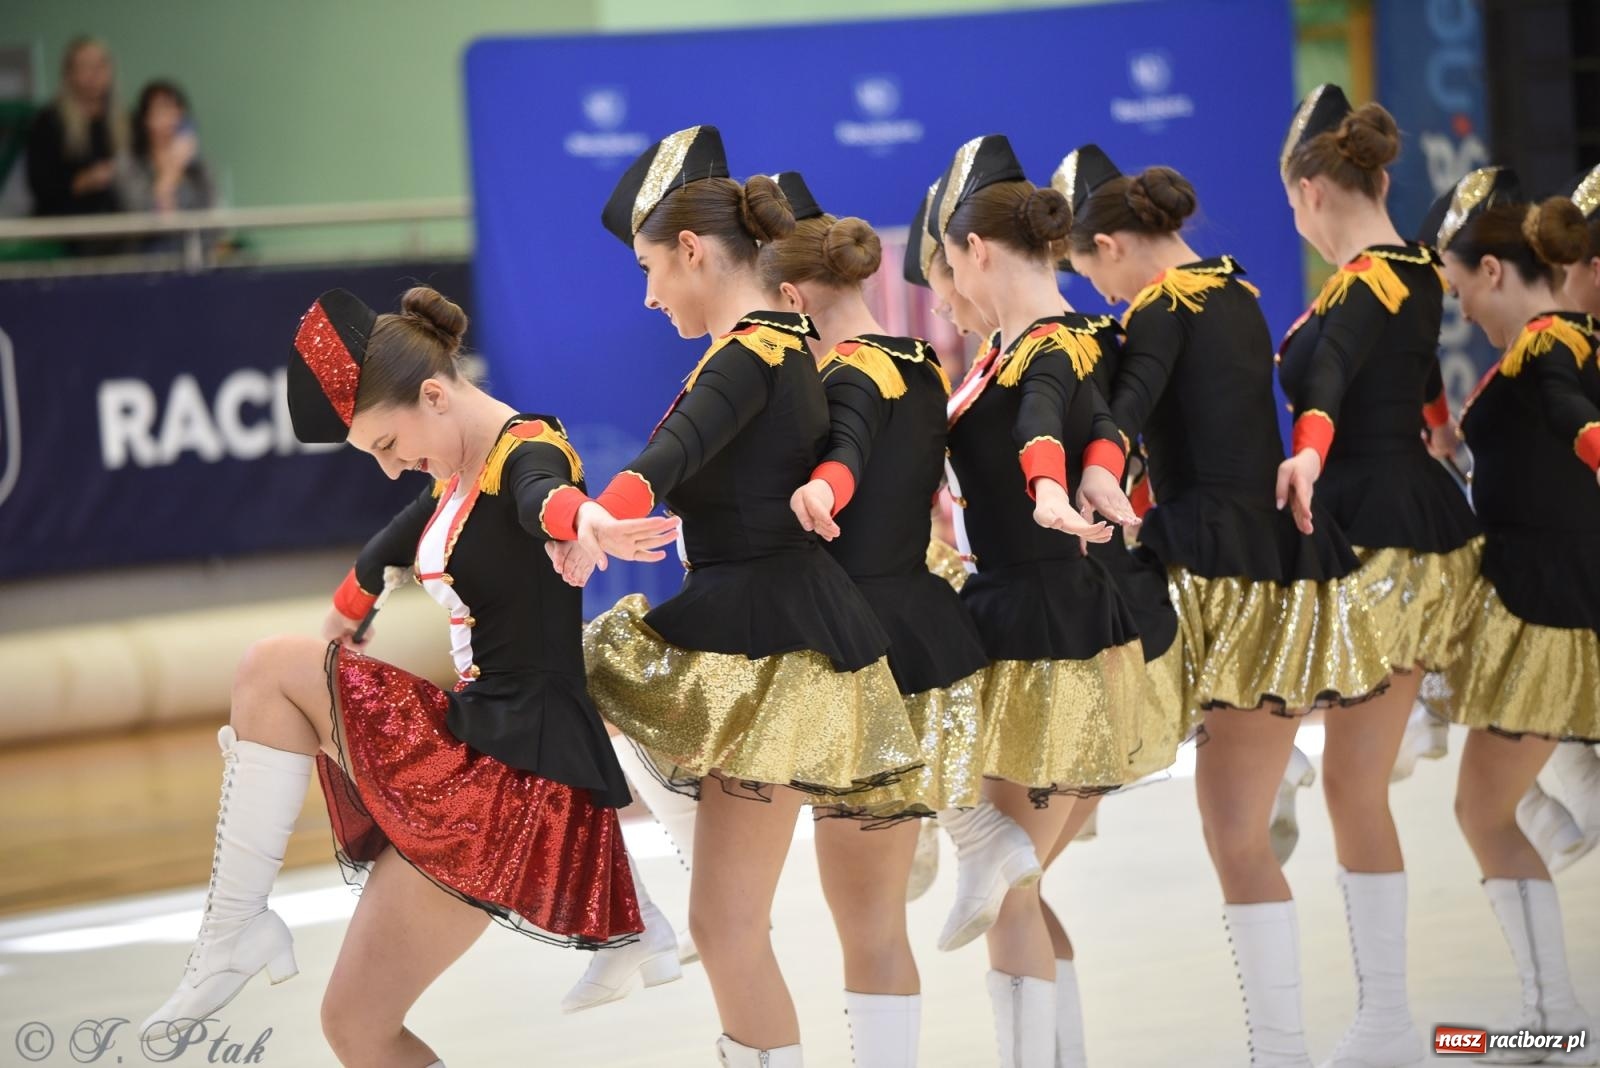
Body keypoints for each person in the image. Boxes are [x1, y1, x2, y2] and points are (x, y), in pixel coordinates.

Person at [142, 285, 675, 1066]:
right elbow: (399, 535)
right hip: (486, 750)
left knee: (271, 668)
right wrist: (347, 608)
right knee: (355, 1027)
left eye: (390, 445)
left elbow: (545, 496)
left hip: (504, 777)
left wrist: (584, 518)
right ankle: (236, 926)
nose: (392, 468)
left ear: (434, 395)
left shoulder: (527, 452)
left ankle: (233, 930)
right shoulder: (460, 467)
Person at [570, 125, 921, 1067]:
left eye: (649, 269)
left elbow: (671, 451)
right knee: (728, 921)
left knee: (724, 923)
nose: (648, 295)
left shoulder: (749, 350)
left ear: (691, 250)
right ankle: (644, 899)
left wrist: (598, 516)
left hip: (765, 637)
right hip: (787, 624)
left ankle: (627, 917)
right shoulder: (783, 338)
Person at [1066, 142, 1390, 1067]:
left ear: (1112, 246)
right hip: (1272, 554)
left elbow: (1127, 408)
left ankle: (1281, 1051)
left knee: (1226, 830)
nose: (1103, 297)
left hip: (1211, 568)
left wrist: (1091, 471)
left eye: (1092, 275)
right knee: (1237, 834)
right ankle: (1282, 1049)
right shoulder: (1236, 290)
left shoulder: (1162, 305)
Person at [759, 170, 990, 1066]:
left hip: (854, 656)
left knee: (866, 927)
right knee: (876, 924)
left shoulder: (840, 374)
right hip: (917, 621)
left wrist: (821, 485)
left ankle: (969, 826)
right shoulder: (923, 359)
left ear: (790, 296)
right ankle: (961, 823)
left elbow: (849, 450)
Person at [929, 134, 1150, 1068]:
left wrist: (1055, 487)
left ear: (975, 251)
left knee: (1010, 895)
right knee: (1019, 885)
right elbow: (1093, 428)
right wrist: (1090, 474)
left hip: (1042, 628)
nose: (947, 285)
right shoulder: (1015, 346)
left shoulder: (1051, 344)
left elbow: (1046, 424)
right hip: (1038, 615)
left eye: (948, 264)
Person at [1275, 85, 1484, 1067]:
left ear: (1311, 192)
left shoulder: (1363, 283)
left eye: (1291, 206)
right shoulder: (1414, 269)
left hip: (1372, 532)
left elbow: (1329, 378)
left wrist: (1308, 454)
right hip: (1405, 511)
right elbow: (1417, 378)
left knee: (1353, 786)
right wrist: (1440, 430)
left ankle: (1389, 1021)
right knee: (1353, 777)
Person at [1425, 166, 1600, 1061]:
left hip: (1546, 618)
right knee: (1485, 804)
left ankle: (1553, 1022)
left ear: (1492, 271)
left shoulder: (1542, 348)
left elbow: (1573, 420)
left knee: (1482, 809)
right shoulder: (1562, 339)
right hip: (1543, 604)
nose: (1460, 307)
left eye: (1460, 287)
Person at [25, 36, 126, 253]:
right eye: (85, 66)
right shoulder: (49, 121)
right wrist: (83, 182)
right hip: (64, 227)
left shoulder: (125, 122)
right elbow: (40, 186)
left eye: (100, 65)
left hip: (117, 226)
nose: (94, 74)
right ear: (69, 73)